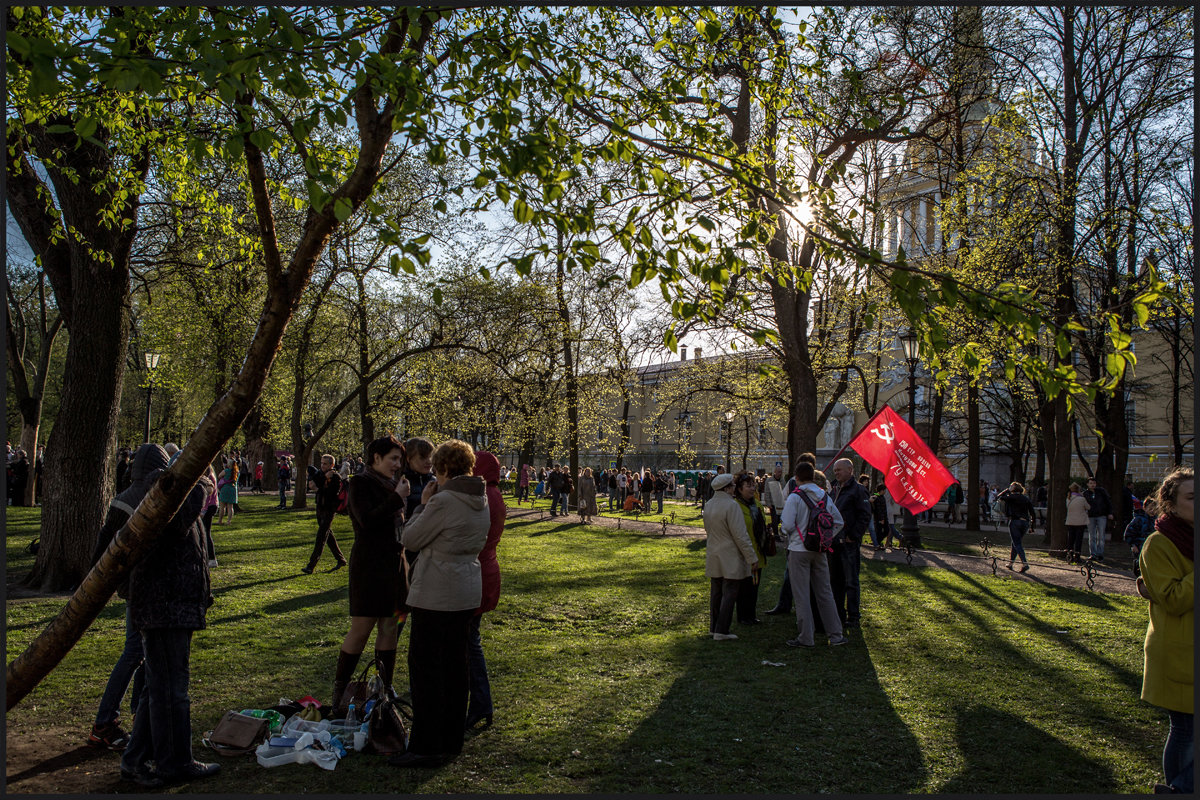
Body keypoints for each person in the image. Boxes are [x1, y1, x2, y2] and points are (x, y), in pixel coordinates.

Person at [116, 444, 220, 787]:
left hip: (171, 603)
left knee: (157, 689)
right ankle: (174, 762)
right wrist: (203, 483)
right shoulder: (160, 491)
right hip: (164, 605)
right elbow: (179, 522)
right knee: (171, 691)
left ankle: (135, 759)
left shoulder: (156, 491)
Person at [391, 439, 489, 768]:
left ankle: (427, 745)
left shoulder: (445, 500)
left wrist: (423, 504)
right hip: (465, 588)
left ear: (445, 468)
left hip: (437, 591)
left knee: (427, 670)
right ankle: (450, 739)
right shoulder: (480, 497)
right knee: (455, 667)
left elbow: (410, 538)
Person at [332, 436, 411, 714]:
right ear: (376, 457)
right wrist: (397, 498)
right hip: (370, 568)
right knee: (361, 629)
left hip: (396, 566)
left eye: (400, 460)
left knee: (392, 627)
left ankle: (385, 687)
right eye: (393, 458)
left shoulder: (393, 485)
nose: (397, 465)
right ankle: (340, 689)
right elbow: (366, 520)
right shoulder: (360, 483)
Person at [1137, 466, 1193, 794]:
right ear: (1171, 503)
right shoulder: (1159, 544)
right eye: (1192, 496)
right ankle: (1179, 790)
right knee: (1186, 730)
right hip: (1179, 652)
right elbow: (1173, 600)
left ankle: (1178, 790)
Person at [781, 461, 847, 647]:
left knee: (801, 595)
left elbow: (786, 525)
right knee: (825, 593)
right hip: (820, 550)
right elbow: (838, 522)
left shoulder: (795, 497)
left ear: (796, 477)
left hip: (798, 549)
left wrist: (793, 534)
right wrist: (826, 538)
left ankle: (806, 637)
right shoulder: (824, 496)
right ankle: (836, 635)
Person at [467, 451, 505, 732]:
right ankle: (479, 702)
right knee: (470, 639)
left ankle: (481, 702)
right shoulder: (494, 494)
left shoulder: (481, 498)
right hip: (486, 569)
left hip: (476, 572)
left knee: (469, 643)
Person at [702, 472, 758, 641]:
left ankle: (714, 627)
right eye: (733, 486)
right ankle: (722, 630)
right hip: (730, 554)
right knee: (730, 592)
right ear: (727, 488)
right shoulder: (731, 506)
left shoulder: (710, 504)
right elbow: (740, 535)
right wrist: (751, 557)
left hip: (714, 551)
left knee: (716, 592)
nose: (735, 488)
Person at [829, 458, 871, 629]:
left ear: (850, 470)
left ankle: (853, 615)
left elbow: (865, 515)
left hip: (848, 543)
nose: (836, 473)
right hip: (834, 541)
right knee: (835, 580)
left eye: (839, 470)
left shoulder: (858, 490)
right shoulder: (834, 490)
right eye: (835, 470)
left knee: (851, 580)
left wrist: (853, 535)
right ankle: (839, 612)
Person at [301, 454, 347, 574]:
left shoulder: (336, 477)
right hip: (320, 508)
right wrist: (321, 482)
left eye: (325, 464)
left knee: (321, 537)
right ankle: (341, 559)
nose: (322, 465)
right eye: (321, 463)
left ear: (331, 465)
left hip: (329, 509)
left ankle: (311, 565)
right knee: (328, 535)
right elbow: (312, 485)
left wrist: (319, 487)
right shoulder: (320, 474)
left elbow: (331, 493)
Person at [734, 472, 769, 626]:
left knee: (754, 586)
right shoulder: (736, 506)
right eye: (748, 486)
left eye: (753, 485)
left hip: (758, 553)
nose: (752, 488)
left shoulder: (757, 504)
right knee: (744, 588)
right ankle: (742, 616)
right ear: (739, 489)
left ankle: (751, 615)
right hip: (744, 554)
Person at [996, 482, 1034, 573]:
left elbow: (999, 497)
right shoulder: (1025, 498)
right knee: (1015, 542)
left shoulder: (1011, 497)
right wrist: (1032, 526)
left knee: (1017, 543)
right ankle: (1011, 563)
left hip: (1015, 521)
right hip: (1025, 522)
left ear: (1013, 489)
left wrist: (1006, 490)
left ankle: (1025, 563)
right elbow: (1032, 512)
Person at [1083, 477, 1113, 561]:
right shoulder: (1085, 493)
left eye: (1094, 483)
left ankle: (1100, 553)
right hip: (1090, 516)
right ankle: (1093, 553)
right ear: (1088, 484)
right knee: (1092, 535)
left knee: (1101, 535)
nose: (1092, 485)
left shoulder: (1101, 492)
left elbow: (1108, 502)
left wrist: (1110, 513)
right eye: (1091, 483)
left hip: (1101, 515)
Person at [1124, 498, 1154, 579]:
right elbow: (1129, 533)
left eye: (1155, 509)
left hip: (1152, 546)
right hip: (1139, 545)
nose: (1152, 511)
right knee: (1141, 562)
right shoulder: (1139, 519)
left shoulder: (1156, 521)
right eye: (1150, 509)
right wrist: (1133, 544)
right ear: (1144, 508)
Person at [1065, 482, 1090, 565]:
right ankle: (1077, 556)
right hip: (1080, 522)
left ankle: (1070, 555)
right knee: (1078, 540)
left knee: (1070, 539)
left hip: (1070, 521)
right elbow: (1088, 507)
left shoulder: (1068, 498)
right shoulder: (1082, 499)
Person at [201, 466, 219, 567]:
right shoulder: (211, 476)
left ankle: (212, 558)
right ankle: (208, 557)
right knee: (205, 532)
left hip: (209, 507)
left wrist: (204, 509)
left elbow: (208, 495)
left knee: (206, 532)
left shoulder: (209, 478)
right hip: (212, 505)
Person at [216, 458, 238, 525]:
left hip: (225, 488)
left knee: (222, 506)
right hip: (232, 488)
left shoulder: (226, 471)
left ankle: (220, 520)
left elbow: (219, 476)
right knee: (230, 506)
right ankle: (229, 521)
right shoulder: (236, 472)